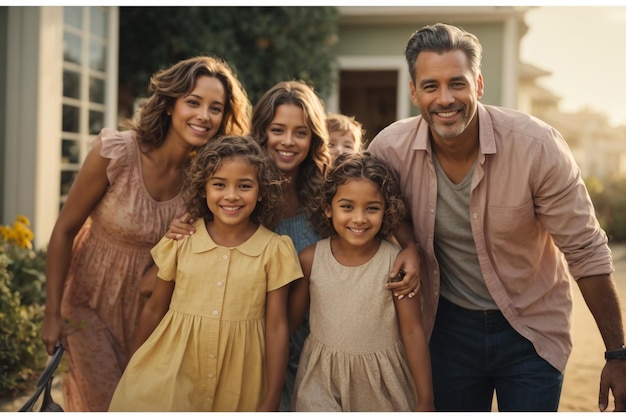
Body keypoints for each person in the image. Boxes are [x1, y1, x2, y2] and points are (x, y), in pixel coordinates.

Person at [367, 22, 626, 412]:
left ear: (479, 85)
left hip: (531, 330)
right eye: (431, 85)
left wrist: (617, 354)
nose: (445, 98)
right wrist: (409, 244)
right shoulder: (388, 149)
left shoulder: (536, 146)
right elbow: (381, 213)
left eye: (457, 83)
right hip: (445, 328)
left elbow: (586, 249)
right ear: (414, 92)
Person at [167, 80, 421, 410]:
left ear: (314, 138)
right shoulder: (242, 193)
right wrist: (181, 229)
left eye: (300, 132)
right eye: (277, 130)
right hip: (257, 346)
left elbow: (383, 210)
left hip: (322, 348)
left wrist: (411, 247)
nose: (288, 142)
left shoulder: (330, 188)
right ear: (261, 133)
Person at [40, 55, 251, 411]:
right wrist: (51, 312)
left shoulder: (207, 180)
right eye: (193, 102)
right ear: (170, 105)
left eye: (215, 108)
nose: (204, 115)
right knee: (108, 402)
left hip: (154, 313)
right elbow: (64, 230)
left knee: (140, 403)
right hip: (88, 305)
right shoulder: (116, 152)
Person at [108, 135, 303, 411]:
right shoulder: (182, 239)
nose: (231, 195)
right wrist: (132, 368)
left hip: (240, 380)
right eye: (219, 184)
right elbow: (155, 307)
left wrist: (272, 397)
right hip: (172, 369)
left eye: (244, 186)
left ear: (261, 192)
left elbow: (276, 326)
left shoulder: (275, 250)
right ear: (203, 189)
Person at [288, 152, 434, 411]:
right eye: (347, 206)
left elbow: (412, 331)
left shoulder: (395, 264)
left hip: (381, 384)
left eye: (372, 208)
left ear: (386, 210)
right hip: (321, 381)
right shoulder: (311, 259)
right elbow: (289, 323)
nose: (359, 218)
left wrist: (425, 400)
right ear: (327, 208)